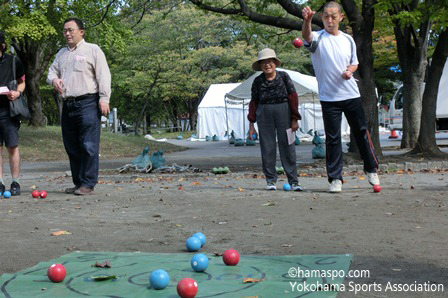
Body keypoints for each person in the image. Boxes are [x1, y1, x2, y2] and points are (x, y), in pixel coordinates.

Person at [301, 2, 379, 193]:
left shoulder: (348, 39)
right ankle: (335, 179)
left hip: (351, 94)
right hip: (329, 98)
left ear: (341, 17)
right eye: (326, 16)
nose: (329, 20)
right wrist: (307, 20)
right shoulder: (318, 38)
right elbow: (306, 36)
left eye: (333, 16)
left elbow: (354, 63)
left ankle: (371, 169)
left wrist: (349, 71)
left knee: (361, 132)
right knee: (333, 139)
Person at [47, 18, 111, 195]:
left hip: (88, 102)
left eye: (71, 30)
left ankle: (88, 184)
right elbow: (51, 72)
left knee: (88, 145)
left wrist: (104, 98)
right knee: (72, 146)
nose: (67, 33)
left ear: (81, 32)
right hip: (68, 105)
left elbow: (103, 75)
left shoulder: (93, 50)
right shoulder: (61, 53)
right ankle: (78, 182)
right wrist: (54, 79)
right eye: (65, 30)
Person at [248, 48, 303, 191]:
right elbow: (254, 102)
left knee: (288, 145)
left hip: (284, 111)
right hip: (264, 113)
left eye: (270, 61)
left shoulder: (284, 77)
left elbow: (293, 97)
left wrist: (294, 118)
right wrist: (251, 125)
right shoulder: (257, 81)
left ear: (275, 63)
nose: (267, 65)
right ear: (260, 66)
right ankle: (270, 180)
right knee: (267, 147)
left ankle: (294, 181)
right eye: (263, 63)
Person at [0, 31, 26, 196]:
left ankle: (15, 182)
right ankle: (0, 183)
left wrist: (17, 93)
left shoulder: (13, 61)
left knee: (12, 147)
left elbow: (22, 82)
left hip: (8, 110)